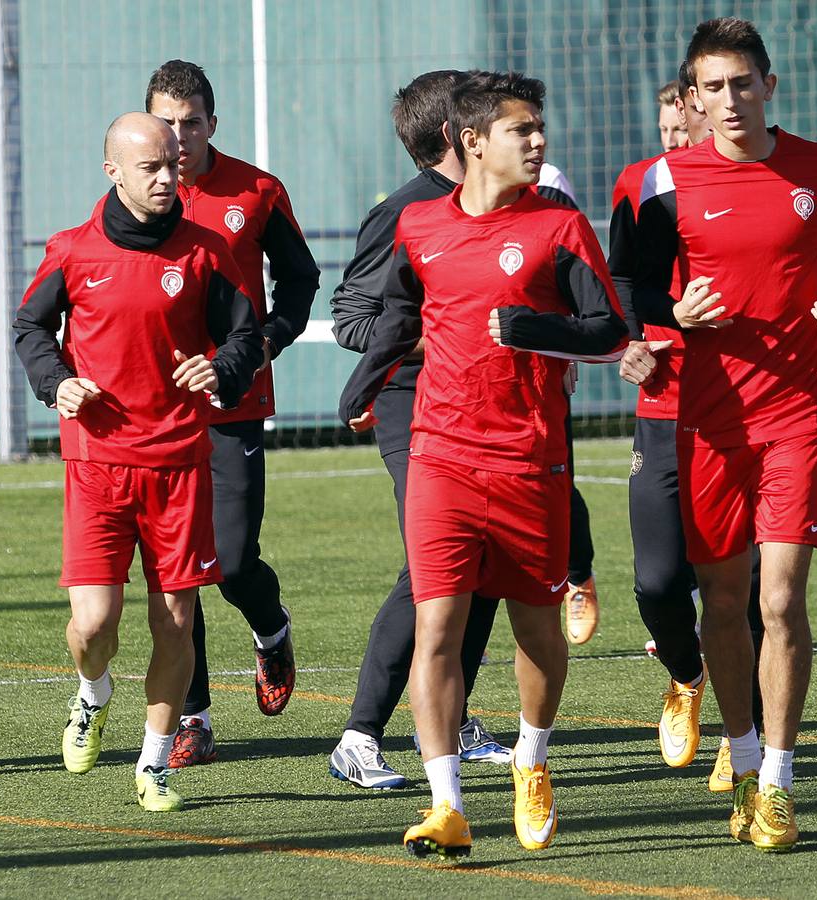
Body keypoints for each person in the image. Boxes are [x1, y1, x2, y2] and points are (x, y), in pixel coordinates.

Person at [339, 70, 627, 858]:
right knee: (438, 622)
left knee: (537, 630)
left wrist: (535, 328)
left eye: (539, 128)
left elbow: (608, 329)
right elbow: (392, 320)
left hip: (529, 460)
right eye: (521, 129)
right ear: (472, 143)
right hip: (440, 453)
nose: (538, 141)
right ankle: (446, 804)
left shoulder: (560, 226)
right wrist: (361, 387)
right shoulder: (417, 226)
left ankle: (531, 761)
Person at [618, 17, 817, 852]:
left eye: (741, 83)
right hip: (707, 423)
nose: (729, 100)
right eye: (712, 88)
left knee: (779, 598)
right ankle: (741, 745)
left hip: (797, 412)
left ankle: (777, 783)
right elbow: (633, 287)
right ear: (693, 98)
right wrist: (668, 313)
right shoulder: (662, 182)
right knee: (721, 604)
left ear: (769, 84)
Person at [13, 112, 263, 811]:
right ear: (112, 171)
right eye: (150, 166)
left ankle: (155, 765)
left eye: (172, 165)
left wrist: (221, 370)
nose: (166, 178)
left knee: (175, 623)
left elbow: (244, 336)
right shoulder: (72, 251)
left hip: (180, 464)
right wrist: (55, 380)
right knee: (93, 627)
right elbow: (31, 326)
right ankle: (93, 694)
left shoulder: (205, 251)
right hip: (96, 460)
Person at [327, 69, 511, 789]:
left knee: (490, 560)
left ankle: (451, 716)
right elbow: (352, 318)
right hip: (416, 407)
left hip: (488, 407)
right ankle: (358, 736)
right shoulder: (405, 212)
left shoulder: (501, 208)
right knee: (434, 567)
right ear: (455, 135)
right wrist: (438, 337)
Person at [143, 60, 320, 767]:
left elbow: (301, 277)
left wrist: (270, 341)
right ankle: (195, 720)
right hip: (157, 413)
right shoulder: (135, 197)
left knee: (231, 559)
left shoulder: (256, 190)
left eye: (191, 123)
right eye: (167, 123)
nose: (179, 138)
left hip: (233, 401)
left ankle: (271, 630)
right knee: (176, 572)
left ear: (212, 124)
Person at [612, 71, 764, 788]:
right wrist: (627, 342)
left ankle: (746, 733)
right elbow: (618, 284)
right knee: (656, 580)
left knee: (747, 591)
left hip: (742, 412)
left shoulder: (750, 182)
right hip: (661, 410)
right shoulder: (639, 185)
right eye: (667, 131)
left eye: (686, 129)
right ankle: (684, 673)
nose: (675, 143)